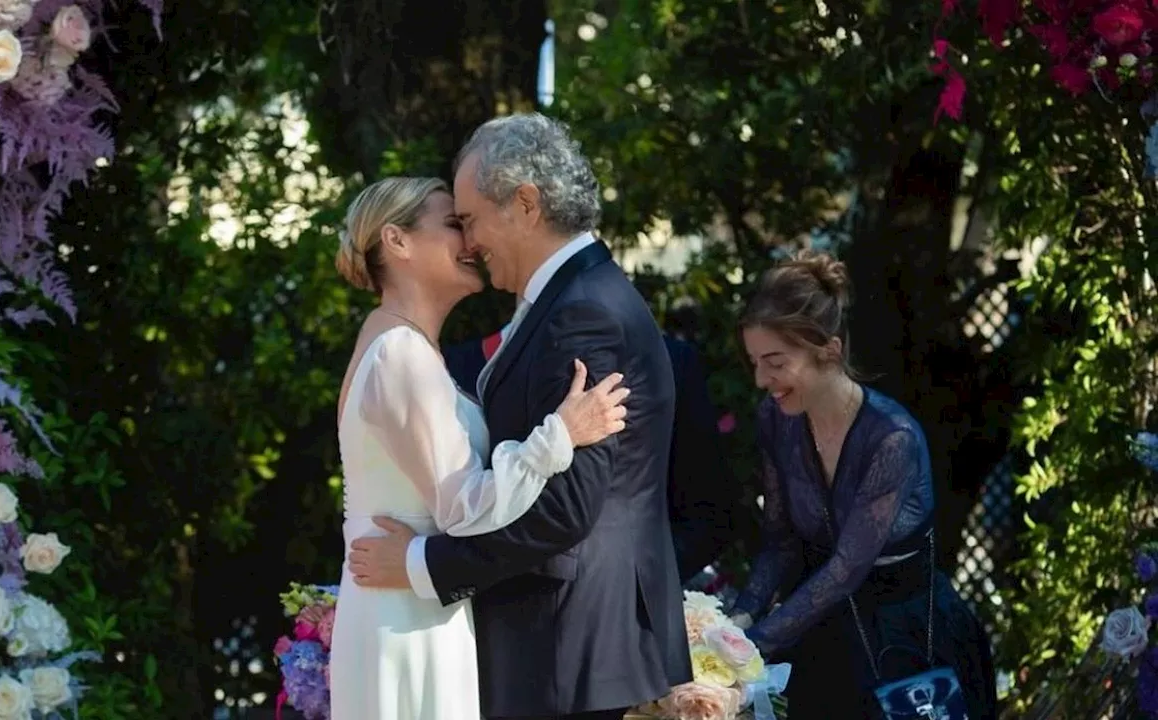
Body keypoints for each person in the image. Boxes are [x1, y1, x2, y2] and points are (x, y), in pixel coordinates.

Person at [347, 113, 692, 720]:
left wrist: (421, 563)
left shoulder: (580, 312)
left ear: (525, 205)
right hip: (555, 644)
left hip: (565, 643)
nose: (470, 242)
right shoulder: (572, 300)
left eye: (470, 220)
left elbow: (566, 509)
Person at [729, 250, 999, 719]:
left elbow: (846, 569)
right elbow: (782, 542)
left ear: (829, 351)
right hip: (818, 634)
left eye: (774, 361)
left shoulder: (892, 438)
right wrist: (739, 617)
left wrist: (752, 644)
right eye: (754, 362)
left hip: (903, 638)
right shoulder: (775, 418)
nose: (760, 379)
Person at [444, 330, 733, 583]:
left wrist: (636, 590)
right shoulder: (461, 362)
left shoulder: (667, 360)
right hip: (482, 607)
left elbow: (706, 513)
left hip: (620, 613)